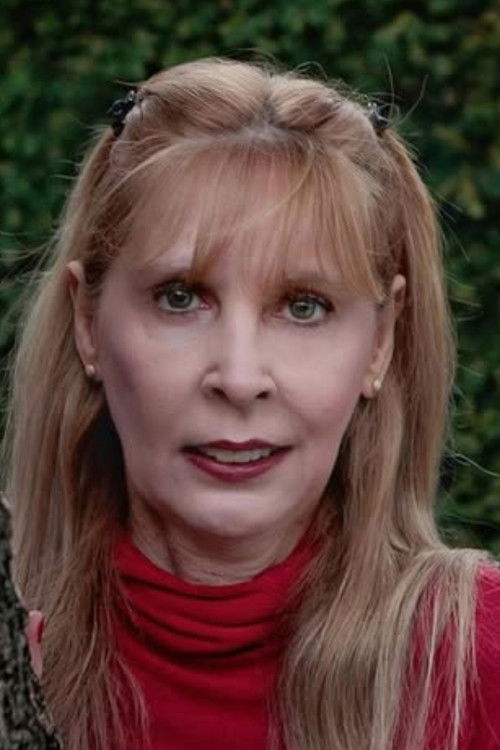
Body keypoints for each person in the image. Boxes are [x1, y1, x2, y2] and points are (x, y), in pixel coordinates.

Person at [3, 57, 500, 750]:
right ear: (88, 323)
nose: (239, 379)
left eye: (303, 306)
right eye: (180, 298)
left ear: (382, 340)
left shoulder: (481, 662)